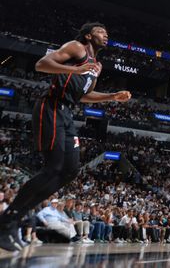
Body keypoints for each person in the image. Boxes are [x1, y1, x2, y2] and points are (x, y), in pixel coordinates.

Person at [0, 22, 131, 252]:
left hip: (67, 113)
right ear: (89, 35)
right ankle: (8, 221)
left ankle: (12, 219)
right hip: (50, 106)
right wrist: (74, 70)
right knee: (53, 168)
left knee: (71, 170)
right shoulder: (77, 48)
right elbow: (41, 65)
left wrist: (112, 96)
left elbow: (86, 96)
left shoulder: (97, 66)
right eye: (101, 31)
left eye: (107, 32)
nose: (106, 34)